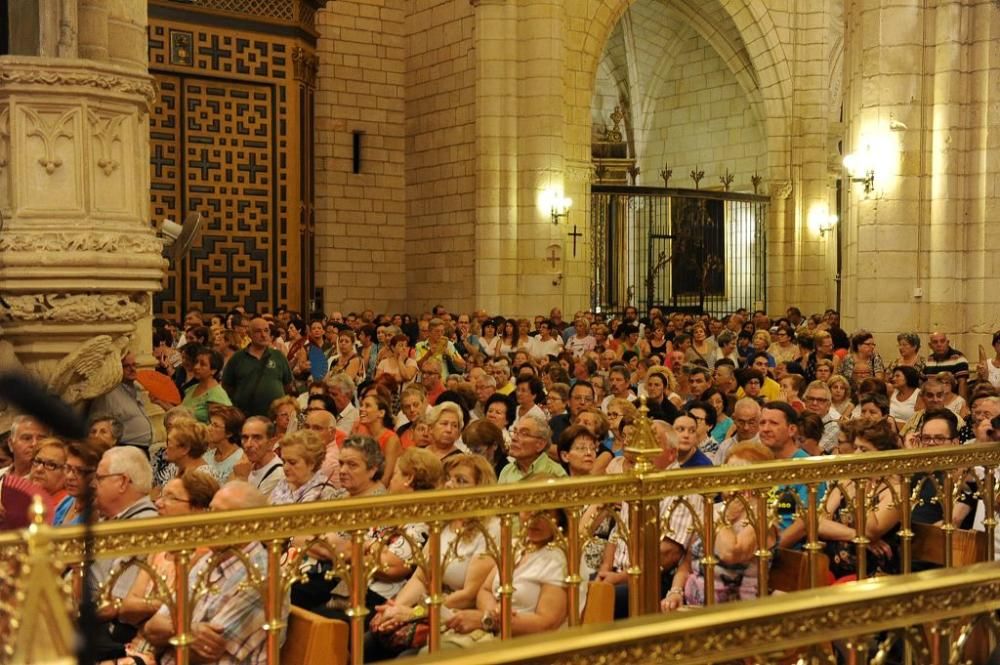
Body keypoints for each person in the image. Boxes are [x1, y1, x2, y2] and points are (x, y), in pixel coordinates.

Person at [366, 454, 498, 660]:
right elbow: (420, 577)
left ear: (481, 489)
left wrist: (413, 613)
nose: (450, 485)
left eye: (461, 481)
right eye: (449, 479)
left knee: (407, 657)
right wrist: (397, 609)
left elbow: (469, 595)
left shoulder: (491, 528)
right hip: (428, 607)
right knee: (369, 640)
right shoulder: (443, 522)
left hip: (457, 617)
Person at [144, 481, 284, 665]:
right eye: (210, 511)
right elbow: (151, 628)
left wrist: (170, 633)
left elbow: (202, 655)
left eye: (221, 515)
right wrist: (188, 630)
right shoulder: (209, 559)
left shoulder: (262, 576)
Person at [116, 472, 219, 665]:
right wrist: (161, 607)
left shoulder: (204, 557)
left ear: (197, 509)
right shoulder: (160, 549)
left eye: (171, 498)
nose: (159, 503)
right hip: (133, 649)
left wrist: (148, 611)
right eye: (162, 495)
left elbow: (177, 617)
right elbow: (127, 609)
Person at [661, 441, 776, 611]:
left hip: (735, 609)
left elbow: (731, 553)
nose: (727, 481)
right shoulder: (713, 509)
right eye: (726, 473)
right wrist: (675, 592)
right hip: (693, 604)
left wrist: (724, 518)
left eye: (737, 475)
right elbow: (687, 564)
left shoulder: (764, 518)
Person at [820, 420, 902, 581]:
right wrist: (855, 535)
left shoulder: (894, 490)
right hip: (831, 564)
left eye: (863, 450)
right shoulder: (847, 481)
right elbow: (817, 523)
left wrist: (860, 490)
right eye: (856, 447)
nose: (856, 454)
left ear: (882, 455)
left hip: (872, 572)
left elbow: (870, 531)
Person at [221, 317, 294, 417]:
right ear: (249, 334)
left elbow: (287, 385)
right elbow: (227, 387)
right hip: (245, 416)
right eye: (258, 331)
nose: (263, 335)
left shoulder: (278, 356)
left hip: (275, 416)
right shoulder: (237, 358)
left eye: (266, 330)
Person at [88, 352, 154, 451]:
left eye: (134, 365)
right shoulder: (108, 393)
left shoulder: (137, 388)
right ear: (117, 368)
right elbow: (98, 422)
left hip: (144, 449)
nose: (132, 369)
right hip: (125, 448)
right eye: (127, 366)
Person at [269, 430, 344, 505]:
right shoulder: (284, 482)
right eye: (284, 461)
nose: (285, 468)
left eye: (292, 463)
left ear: (311, 464)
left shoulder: (323, 493)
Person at [498, 415, 568, 483]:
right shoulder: (507, 471)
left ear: (540, 444)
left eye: (524, 433)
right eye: (515, 432)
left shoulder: (557, 474)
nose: (514, 438)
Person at [232, 416, 285, 499]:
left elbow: (252, 509)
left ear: (271, 443)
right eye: (245, 438)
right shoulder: (245, 464)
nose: (248, 444)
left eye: (257, 438)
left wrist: (242, 478)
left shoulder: (278, 474)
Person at [356, 393, 402, 483]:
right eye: (361, 405)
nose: (361, 409)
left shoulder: (391, 439)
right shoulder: (363, 435)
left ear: (381, 413)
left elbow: (387, 477)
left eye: (367, 406)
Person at [53, 440, 101, 526]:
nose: (69, 477)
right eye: (68, 468)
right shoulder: (66, 501)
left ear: (96, 474)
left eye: (79, 471)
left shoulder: (98, 513)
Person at [180, 347, 231, 422]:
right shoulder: (191, 389)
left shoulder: (216, 395)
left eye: (202, 364)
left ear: (213, 370)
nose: (196, 367)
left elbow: (217, 425)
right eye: (196, 362)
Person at [203, 404, 247, 483]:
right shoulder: (207, 455)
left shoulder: (240, 460)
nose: (208, 428)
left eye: (215, 426)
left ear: (229, 433)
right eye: (210, 423)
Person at [0, 415, 49, 481]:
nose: (34, 444)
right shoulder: (1, 474)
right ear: (11, 444)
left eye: (41, 439)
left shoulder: (50, 482)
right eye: (27, 438)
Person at [714, 398, 760, 464]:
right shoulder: (725, 446)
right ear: (734, 420)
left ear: (759, 420)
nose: (746, 427)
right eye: (741, 422)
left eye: (751, 422)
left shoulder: (766, 445)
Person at [925, 332, 970, 399]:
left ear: (947, 342)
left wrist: (961, 404)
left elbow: (962, 384)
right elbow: (923, 383)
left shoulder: (958, 358)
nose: (939, 344)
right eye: (935, 342)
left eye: (942, 341)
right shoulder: (930, 359)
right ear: (930, 345)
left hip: (951, 400)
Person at [802, 380, 841, 453]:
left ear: (828, 405)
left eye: (820, 400)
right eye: (811, 399)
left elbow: (814, 452)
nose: (814, 403)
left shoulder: (833, 427)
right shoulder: (800, 420)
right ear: (805, 401)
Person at [28, 438, 68, 505]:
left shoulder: (66, 507)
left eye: (51, 465)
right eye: (37, 461)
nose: (39, 469)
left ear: (66, 472)